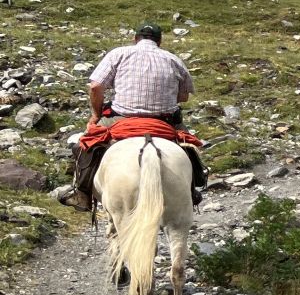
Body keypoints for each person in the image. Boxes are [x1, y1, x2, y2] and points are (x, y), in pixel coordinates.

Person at [62, 23, 206, 212]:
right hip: (165, 120)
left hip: (121, 118)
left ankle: (82, 194)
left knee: (85, 144)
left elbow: (96, 87)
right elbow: (184, 96)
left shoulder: (118, 54)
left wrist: (96, 115)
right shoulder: (174, 60)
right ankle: (192, 189)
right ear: (159, 41)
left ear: (135, 39)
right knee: (189, 148)